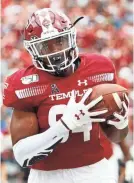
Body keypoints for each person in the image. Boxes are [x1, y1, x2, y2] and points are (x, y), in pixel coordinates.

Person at [3, 8, 129, 183]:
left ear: (71, 37)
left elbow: (116, 136)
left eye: (59, 41)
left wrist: (121, 124)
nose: (55, 52)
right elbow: (23, 156)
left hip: (95, 171)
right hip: (47, 177)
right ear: (32, 49)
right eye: (45, 46)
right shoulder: (25, 84)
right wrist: (63, 126)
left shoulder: (100, 68)